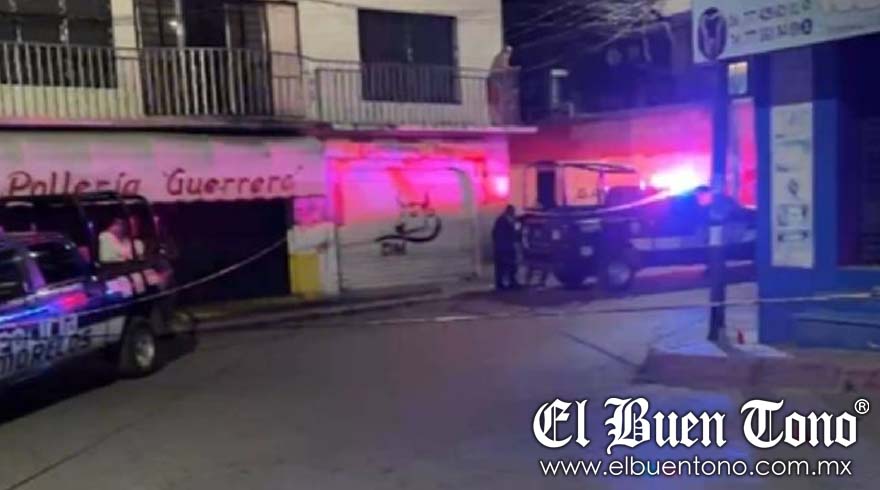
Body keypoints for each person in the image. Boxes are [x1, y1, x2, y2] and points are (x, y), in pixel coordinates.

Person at [492, 205, 521, 290]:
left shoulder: (502, 220)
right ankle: (506, 283)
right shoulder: (505, 220)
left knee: (504, 266)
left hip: (502, 247)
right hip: (505, 247)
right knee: (506, 266)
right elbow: (512, 232)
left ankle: (505, 283)